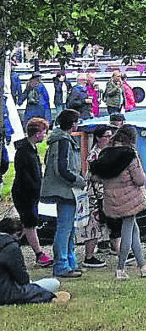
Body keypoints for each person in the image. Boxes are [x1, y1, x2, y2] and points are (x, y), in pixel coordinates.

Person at [90, 125, 146, 279]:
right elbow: (140, 180)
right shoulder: (129, 154)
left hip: (111, 199)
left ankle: (143, 266)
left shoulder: (105, 153)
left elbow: (97, 177)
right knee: (127, 233)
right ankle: (120, 269)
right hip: (129, 199)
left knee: (134, 231)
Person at [39, 109, 87, 278]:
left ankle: (70, 262)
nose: (77, 125)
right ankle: (62, 265)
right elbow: (62, 169)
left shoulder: (59, 140)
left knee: (69, 229)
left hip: (65, 190)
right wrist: (78, 180)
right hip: (66, 191)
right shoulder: (63, 141)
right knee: (65, 229)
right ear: (71, 123)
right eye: (76, 121)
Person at [12, 118, 53, 267]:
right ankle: (39, 254)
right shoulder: (24, 152)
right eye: (44, 132)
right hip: (25, 193)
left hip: (30, 193)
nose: (45, 135)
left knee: (28, 224)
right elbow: (26, 176)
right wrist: (35, 190)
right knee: (29, 223)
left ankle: (12, 246)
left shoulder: (31, 149)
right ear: (37, 134)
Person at [0, 217, 66, 305]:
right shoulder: (11, 247)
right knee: (54, 283)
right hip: (6, 292)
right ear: (17, 233)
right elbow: (22, 279)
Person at [81, 125, 115, 268]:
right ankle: (89, 256)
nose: (109, 139)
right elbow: (94, 177)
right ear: (98, 138)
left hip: (104, 193)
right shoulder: (95, 155)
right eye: (106, 136)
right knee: (92, 225)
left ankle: (114, 246)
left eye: (110, 136)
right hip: (95, 196)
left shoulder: (106, 152)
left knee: (111, 223)